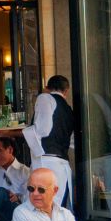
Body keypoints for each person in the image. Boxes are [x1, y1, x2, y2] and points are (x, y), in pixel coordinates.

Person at [23, 75, 74, 208]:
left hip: (46, 161)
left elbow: (42, 130)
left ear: (46, 88)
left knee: (38, 205)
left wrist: (21, 132)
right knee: (55, 206)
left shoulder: (45, 98)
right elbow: (72, 141)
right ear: (66, 91)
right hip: (62, 163)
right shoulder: (68, 109)